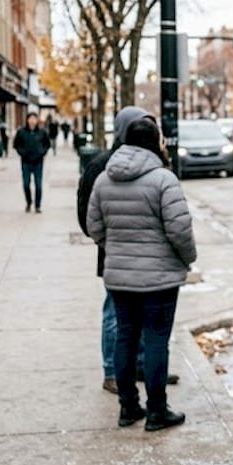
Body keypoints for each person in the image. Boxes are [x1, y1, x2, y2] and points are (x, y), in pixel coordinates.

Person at [87, 117, 196, 432]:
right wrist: (186, 259)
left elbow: (94, 226)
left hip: (119, 277)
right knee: (156, 341)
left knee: (126, 337)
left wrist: (116, 248)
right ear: (154, 142)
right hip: (159, 279)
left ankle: (128, 407)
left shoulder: (104, 179)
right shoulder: (163, 179)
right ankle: (157, 412)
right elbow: (180, 229)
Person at [77, 106, 179, 395]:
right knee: (119, 319)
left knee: (131, 322)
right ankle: (113, 372)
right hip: (122, 258)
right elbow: (87, 216)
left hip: (119, 257)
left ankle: (142, 368)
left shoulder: (157, 165)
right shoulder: (101, 166)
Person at [13, 112, 51, 212]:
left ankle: (37, 206)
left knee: (38, 185)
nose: (32, 121)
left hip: (38, 162)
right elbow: (16, 145)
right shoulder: (21, 132)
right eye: (30, 118)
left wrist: (42, 152)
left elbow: (47, 144)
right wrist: (22, 153)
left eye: (34, 118)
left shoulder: (42, 132)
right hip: (26, 161)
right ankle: (29, 202)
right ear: (27, 120)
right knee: (26, 184)